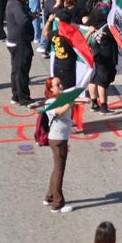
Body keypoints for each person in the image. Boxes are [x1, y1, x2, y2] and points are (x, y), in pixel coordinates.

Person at [42, 76, 75, 213]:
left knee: (57, 169)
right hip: (58, 139)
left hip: (60, 138)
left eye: (61, 83)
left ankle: (49, 196)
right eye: (57, 85)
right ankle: (57, 203)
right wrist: (69, 103)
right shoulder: (50, 102)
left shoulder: (60, 99)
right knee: (59, 171)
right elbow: (59, 112)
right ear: (50, 88)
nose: (61, 86)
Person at [6, 0, 37, 104]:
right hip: (20, 42)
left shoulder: (12, 1)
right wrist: (30, 17)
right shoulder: (17, 5)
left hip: (13, 41)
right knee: (22, 71)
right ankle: (23, 98)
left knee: (16, 70)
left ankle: (16, 95)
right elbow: (23, 21)